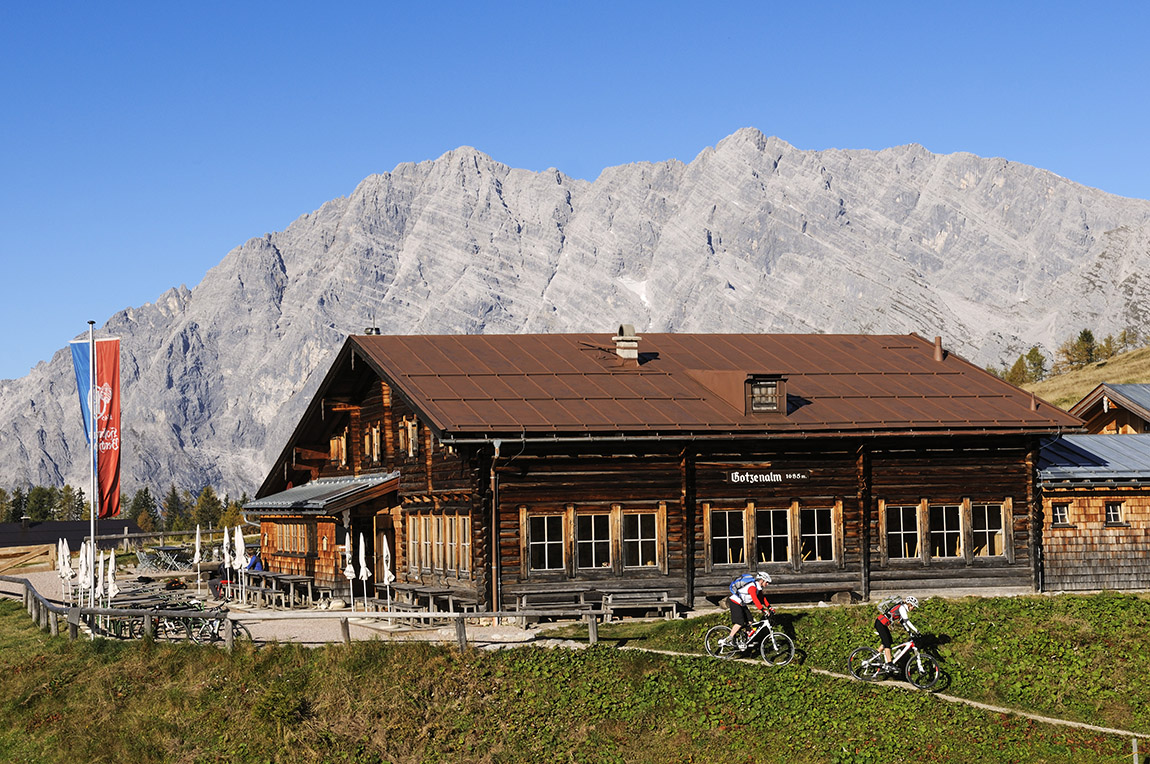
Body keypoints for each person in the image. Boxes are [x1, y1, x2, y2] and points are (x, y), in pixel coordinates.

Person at [720, 572, 774, 647]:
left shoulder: (758, 588)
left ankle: (746, 639)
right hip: (735, 602)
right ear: (762, 580)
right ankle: (729, 639)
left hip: (742, 604)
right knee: (739, 623)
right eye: (767, 582)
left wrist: (769, 607)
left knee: (750, 620)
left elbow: (762, 598)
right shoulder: (752, 587)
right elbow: (755, 600)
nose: (767, 584)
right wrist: (763, 610)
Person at [874, 595, 920, 673]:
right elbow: (907, 621)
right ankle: (889, 663)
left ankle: (875, 654)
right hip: (880, 623)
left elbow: (903, 623)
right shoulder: (902, 608)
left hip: (882, 624)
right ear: (910, 604)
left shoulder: (902, 609)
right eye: (913, 607)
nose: (913, 609)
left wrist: (909, 632)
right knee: (887, 643)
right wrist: (916, 631)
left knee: (889, 640)